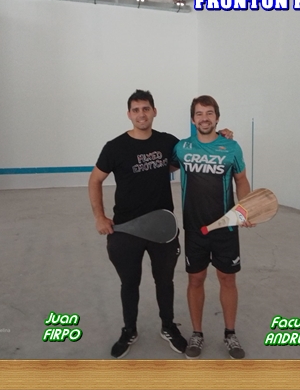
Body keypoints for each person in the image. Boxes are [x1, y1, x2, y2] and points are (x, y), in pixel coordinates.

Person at [88, 90, 233, 359]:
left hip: (162, 229)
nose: (141, 114)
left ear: (154, 111)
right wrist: (99, 216)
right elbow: (95, 179)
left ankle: (168, 327)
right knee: (129, 283)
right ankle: (129, 330)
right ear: (129, 114)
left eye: (146, 108)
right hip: (126, 230)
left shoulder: (168, 143)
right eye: (136, 110)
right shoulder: (114, 147)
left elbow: (196, 148)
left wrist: (220, 135)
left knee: (165, 281)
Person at [172, 95, 252, 360]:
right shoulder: (182, 148)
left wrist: (246, 208)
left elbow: (241, 180)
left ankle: (230, 333)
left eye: (209, 113)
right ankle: (197, 333)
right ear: (192, 118)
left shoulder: (231, 147)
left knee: (227, 279)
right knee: (195, 279)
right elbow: (161, 168)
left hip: (225, 229)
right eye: (199, 113)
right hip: (195, 230)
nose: (204, 118)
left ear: (217, 117)